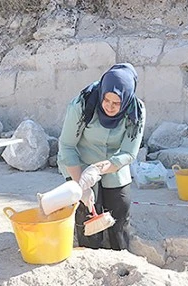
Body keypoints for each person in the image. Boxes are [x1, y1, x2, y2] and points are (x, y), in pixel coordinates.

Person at [57, 63, 145, 250]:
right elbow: (67, 146)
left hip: (113, 163)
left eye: (117, 104)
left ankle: (120, 254)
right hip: (79, 161)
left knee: (120, 209)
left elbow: (129, 153)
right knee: (87, 212)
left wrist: (99, 168)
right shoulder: (82, 104)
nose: (110, 107)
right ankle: (89, 252)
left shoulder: (136, 111)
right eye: (106, 100)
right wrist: (81, 184)